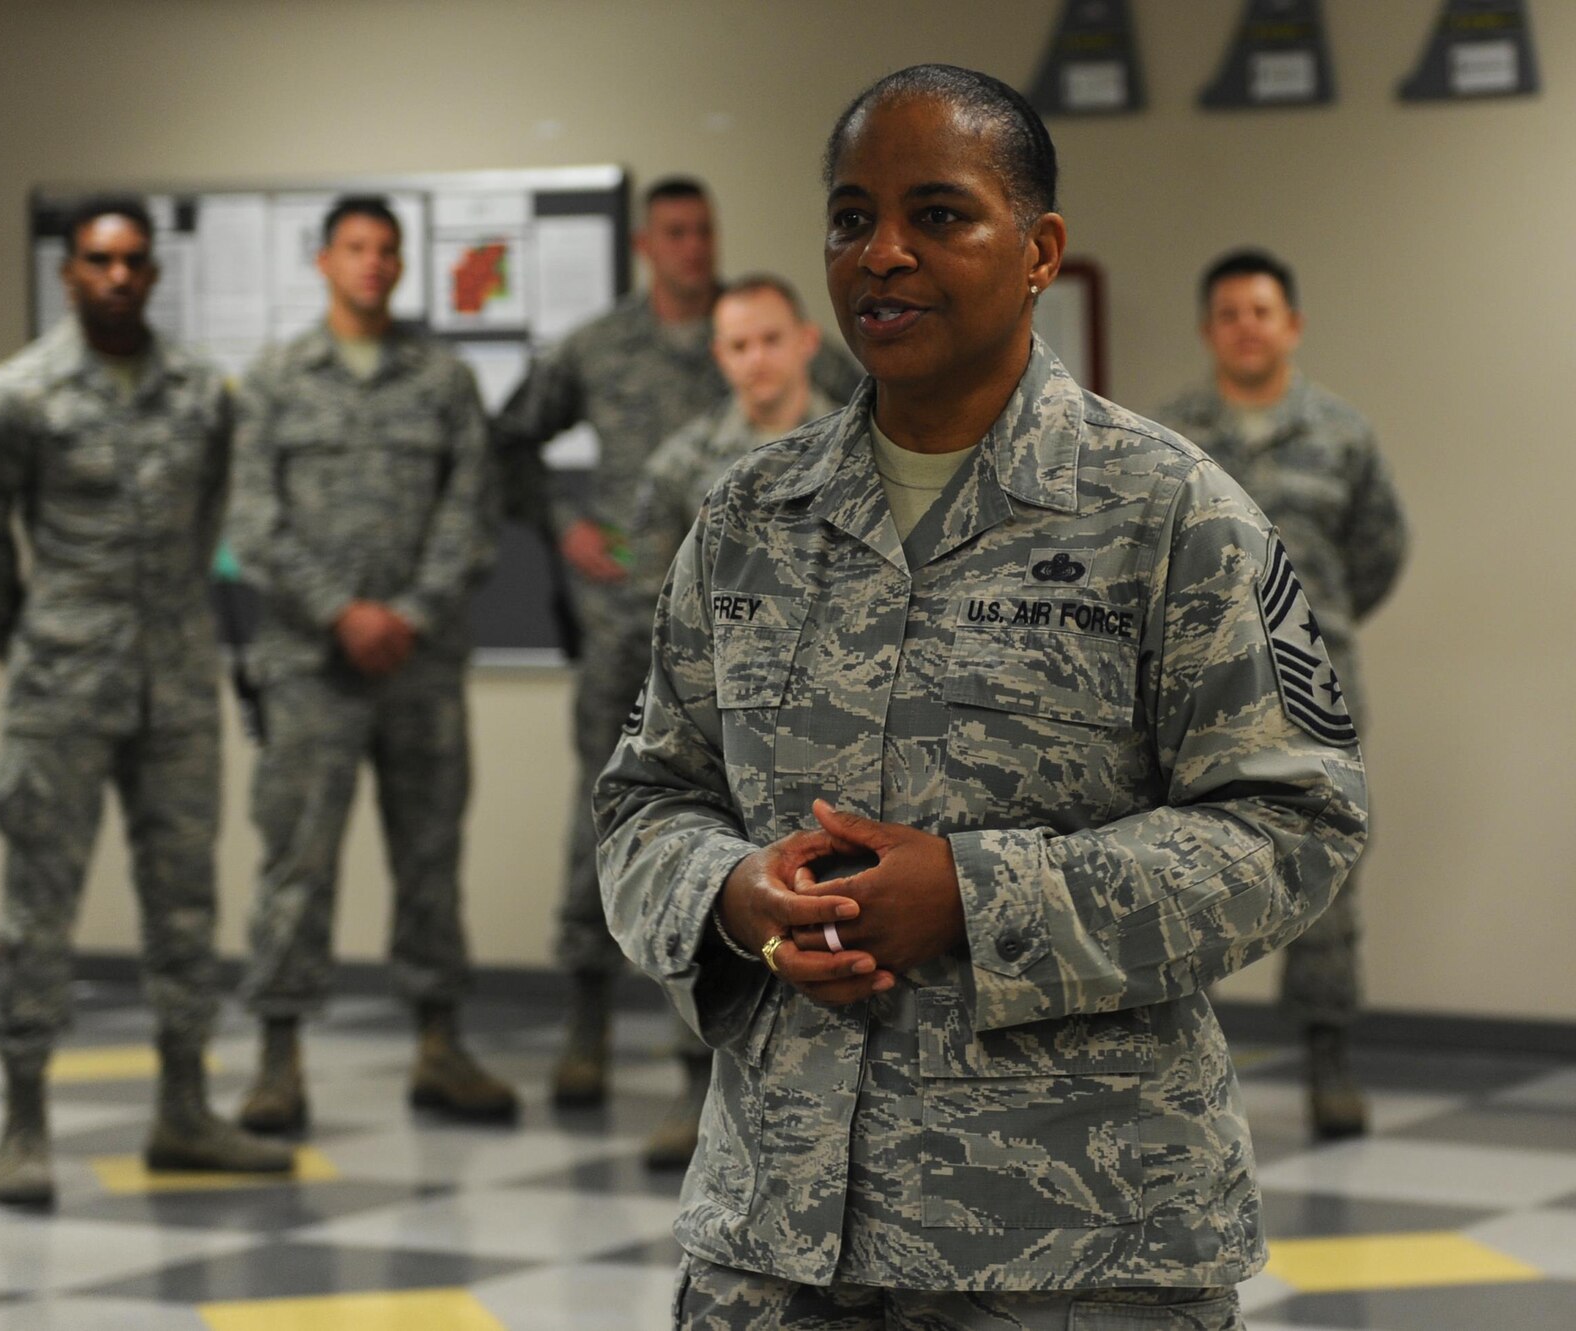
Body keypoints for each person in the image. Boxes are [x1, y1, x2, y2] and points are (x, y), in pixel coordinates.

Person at [596, 65, 1368, 1328]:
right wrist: (737, 899)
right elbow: (644, 803)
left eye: (938, 215)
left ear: (1037, 250)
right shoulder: (745, 519)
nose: (883, 254)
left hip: (1077, 1249)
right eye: (851, 219)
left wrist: (971, 894)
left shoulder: (1169, 513)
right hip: (776, 1245)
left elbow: (1291, 826)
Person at [0, 195, 293, 1208]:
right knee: (36, 908)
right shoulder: (18, 393)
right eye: (98, 260)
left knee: (185, 907)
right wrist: (31, 639)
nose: (117, 277)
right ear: (68, 273)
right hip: (60, 689)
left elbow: (207, 520)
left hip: (175, 687)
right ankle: (22, 1116)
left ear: (153, 272)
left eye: (134, 260)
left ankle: (183, 1109)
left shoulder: (200, 393)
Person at [493, 177, 861, 1111]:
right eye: (675, 233)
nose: (693, 248)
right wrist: (571, 530)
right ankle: (589, 1022)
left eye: (705, 230)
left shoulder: (818, 387)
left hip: (813, 671)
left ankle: (724, 1063)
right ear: (647, 246)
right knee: (635, 827)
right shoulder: (603, 350)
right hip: (645, 634)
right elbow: (512, 442)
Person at [229, 196, 514, 1131]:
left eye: (388, 250)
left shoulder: (441, 380)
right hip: (311, 665)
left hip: (420, 666)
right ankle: (278, 1057)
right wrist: (339, 613)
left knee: (431, 856)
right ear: (324, 261)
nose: (374, 264)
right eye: (356, 248)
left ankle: (440, 1042)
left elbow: (471, 513)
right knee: (296, 862)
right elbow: (253, 524)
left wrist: (410, 614)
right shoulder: (276, 379)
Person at [1152, 249, 1408, 1140]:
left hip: (1315, 694)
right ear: (1208, 329)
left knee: (1328, 880)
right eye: (1227, 313)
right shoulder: (1171, 439)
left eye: (1261, 311)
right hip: (1198, 694)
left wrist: (1314, 629)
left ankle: (1330, 1058)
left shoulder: (1342, 433)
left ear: (1290, 324)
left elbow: (1378, 552)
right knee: (1185, 867)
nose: (1246, 327)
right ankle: (1188, 1071)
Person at [621, 272, 844, 1169]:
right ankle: (694, 1079)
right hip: (729, 724)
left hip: (843, 707)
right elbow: (654, 603)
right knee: (716, 885)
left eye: (768, 339)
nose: (755, 360)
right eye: (737, 345)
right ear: (719, 356)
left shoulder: (856, 444)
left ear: (804, 342)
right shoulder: (682, 466)